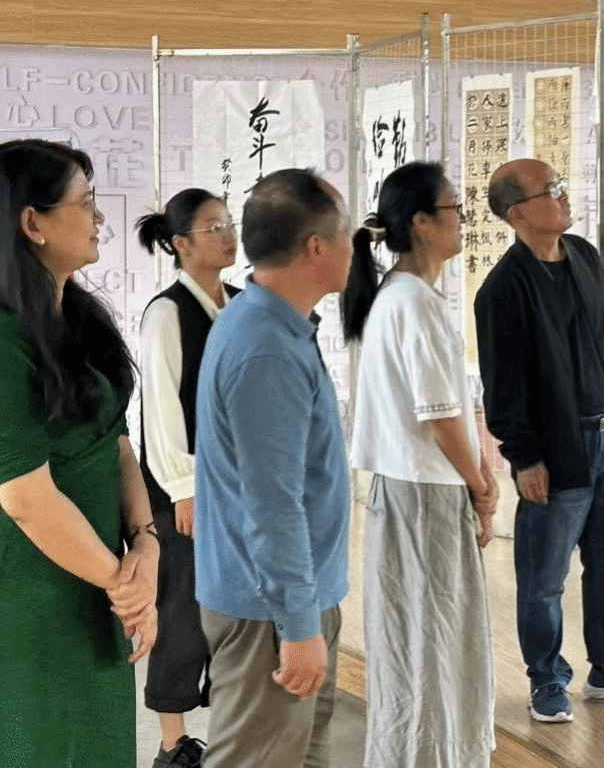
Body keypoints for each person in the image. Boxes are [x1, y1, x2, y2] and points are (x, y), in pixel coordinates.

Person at [475, 158, 604, 724]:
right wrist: (524, 458)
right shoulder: (502, 290)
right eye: (551, 190)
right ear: (518, 214)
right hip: (555, 452)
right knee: (544, 578)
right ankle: (546, 679)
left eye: (561, 185)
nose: (564, 196)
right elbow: (503, 387)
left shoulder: (583, 254)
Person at [0, 138, 158, 767]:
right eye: (85, 202)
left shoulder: (83, 319)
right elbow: (25, 497)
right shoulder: (5, 341)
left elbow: (117, 444)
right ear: (32, 222)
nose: (99, 216)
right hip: (34, 601)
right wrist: (125, 585)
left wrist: (145, 543)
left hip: (99, 589)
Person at [193, 167, 353, 768]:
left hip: (290, 597)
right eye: (346, 233)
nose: (354, 247)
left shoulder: (273, 326)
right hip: (270, 608)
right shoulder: (264, 347)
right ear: (316, 247)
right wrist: (298, 624)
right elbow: (271, 502)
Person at [342, 161, 499, 767]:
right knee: (433, 643)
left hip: (414, 491)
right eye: (454, 207)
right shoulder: (412, 301)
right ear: (423, 223)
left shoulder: (402, 296)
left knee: (420, 640)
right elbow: (440, 415)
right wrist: (480, 484)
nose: (463, 218)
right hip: (426, 494)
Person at [134, 188, 241, 768]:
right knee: (183, 613)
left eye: (229, 223)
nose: (228, 235)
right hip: (186, 492)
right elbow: (161, 411)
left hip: (241, 490)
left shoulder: (242, 304)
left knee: (237, 616)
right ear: (179, 243)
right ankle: (173, 745)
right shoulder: (167, 312)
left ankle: (229, 734)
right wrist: (184, 488)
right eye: (213, 227)